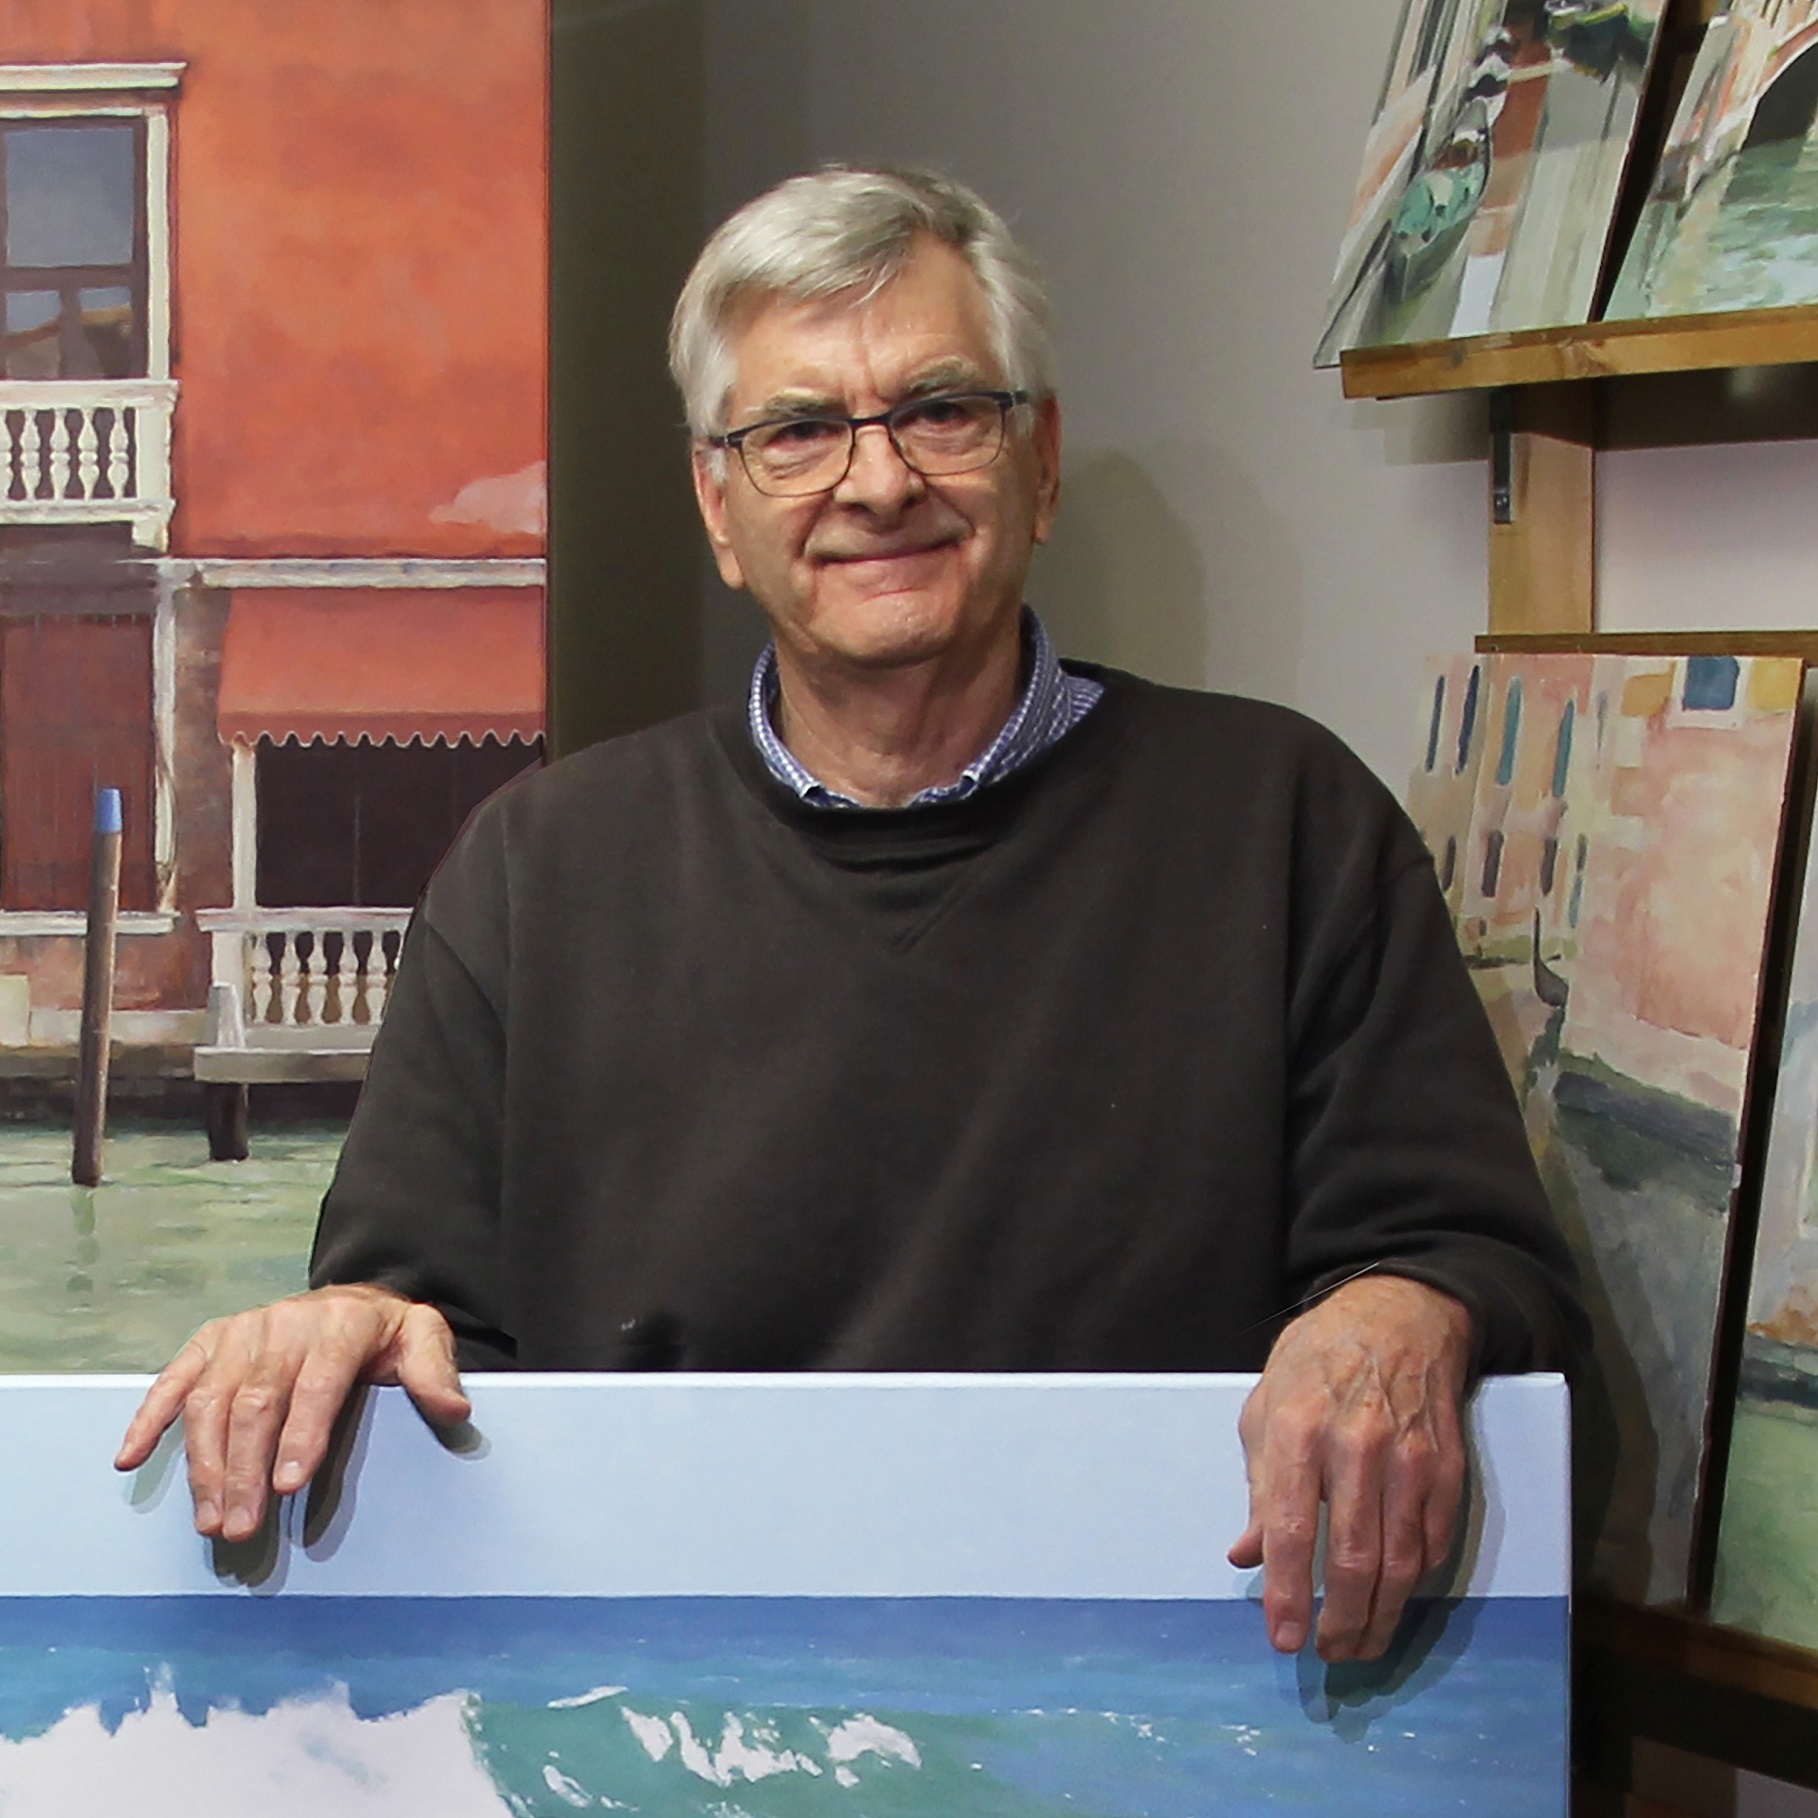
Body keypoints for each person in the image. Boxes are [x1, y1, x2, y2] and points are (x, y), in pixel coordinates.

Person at [117, 166, 1582, 1666]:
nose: (876, 482)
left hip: (1162, 1708)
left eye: (940, 409)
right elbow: (416, 1316)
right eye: (798, 431)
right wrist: (336, 1329)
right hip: (669, 1715)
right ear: (718, 505)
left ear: (1043, 459)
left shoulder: (1285, 821)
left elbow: (1482, 1258)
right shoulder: (531, 870)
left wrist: (1404, 1308)